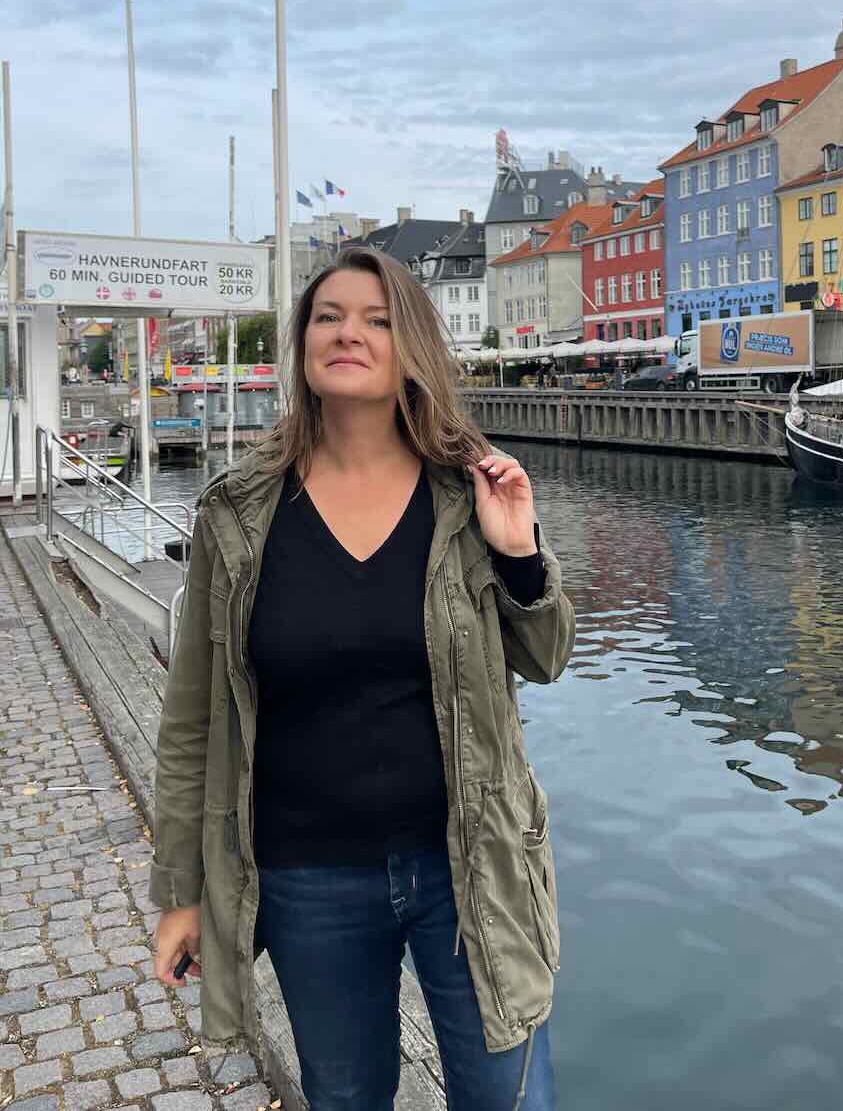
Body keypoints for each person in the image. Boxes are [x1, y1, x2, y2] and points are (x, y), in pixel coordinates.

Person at [150, 247, 574, 1111]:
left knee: (510, 1098)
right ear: (303, 343)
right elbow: (192, 717)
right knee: (346, 1098)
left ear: (411, 346)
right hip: (309, 877)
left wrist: (520, 554)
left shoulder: (466, 494)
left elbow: (547, 655)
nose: (350, 332)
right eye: (330, 315)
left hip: (470, 862)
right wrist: (183, 893)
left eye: (378, 320)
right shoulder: (238, 513)